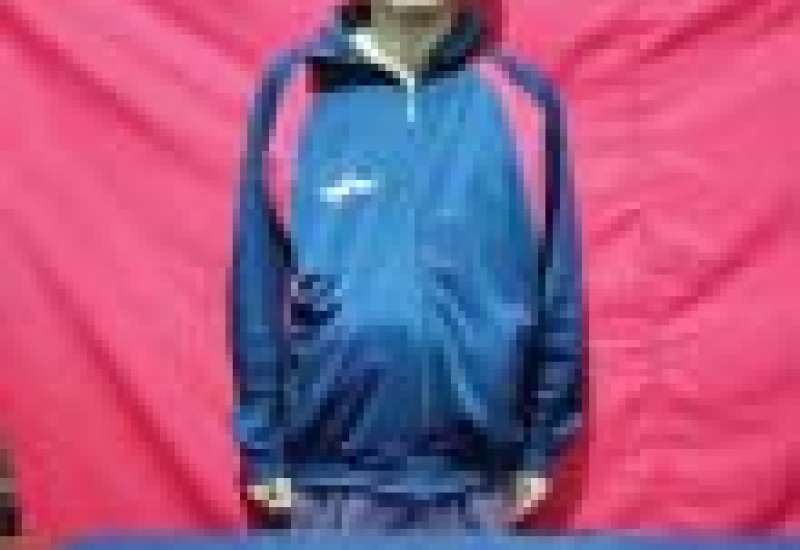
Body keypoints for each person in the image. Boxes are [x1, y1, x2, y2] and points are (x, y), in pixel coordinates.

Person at [230, 0, 583, 533]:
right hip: (330, 487)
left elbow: (557, 281)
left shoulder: (522, 99)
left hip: (480, 488)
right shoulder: (296, 91)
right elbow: (257, 281)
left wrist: (542, 442)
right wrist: (261, 442)